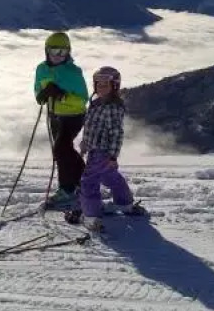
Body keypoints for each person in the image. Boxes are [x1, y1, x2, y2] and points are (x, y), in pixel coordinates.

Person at [73, 66, 143, 231]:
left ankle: (91, 216)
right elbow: (91, 127)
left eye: (105, 84)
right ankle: (125, 204)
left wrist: (112, 156)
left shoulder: (113, 107)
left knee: (88, 181)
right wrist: (85, 143)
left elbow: (116, 133)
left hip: (102, 151)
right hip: (95, 149)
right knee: (110, 176)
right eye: (98, 84)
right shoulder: (96, 104)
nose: (101, 87)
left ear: (115, 86)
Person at [34, 32, 89, 206]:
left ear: (68, 52)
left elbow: (83, 99)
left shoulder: (73, 72)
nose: (58, 55)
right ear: (46, 51)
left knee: (60, 149)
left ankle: (67, 190)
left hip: (74, 116)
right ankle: (85, 180)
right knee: (64, 150)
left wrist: (62, 95)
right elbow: (38, 90)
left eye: (63, 51)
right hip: (55, 116)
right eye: (54, 51)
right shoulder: (41, 69)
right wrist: (42, 95)